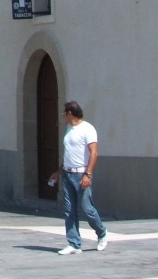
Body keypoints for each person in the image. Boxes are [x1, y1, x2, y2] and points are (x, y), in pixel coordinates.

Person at [48, 101, 109, 255]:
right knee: (69, 210)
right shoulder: (69, 129)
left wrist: (87, 174)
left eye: (64, 113)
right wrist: (59, 171)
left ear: (70, 114)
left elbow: (94, 153)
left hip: (81, 175)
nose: (63, 116)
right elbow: (68, 153)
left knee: (87, 208)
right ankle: (74, 244)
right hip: (68, 174)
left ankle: (102, 233)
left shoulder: (87, 129)